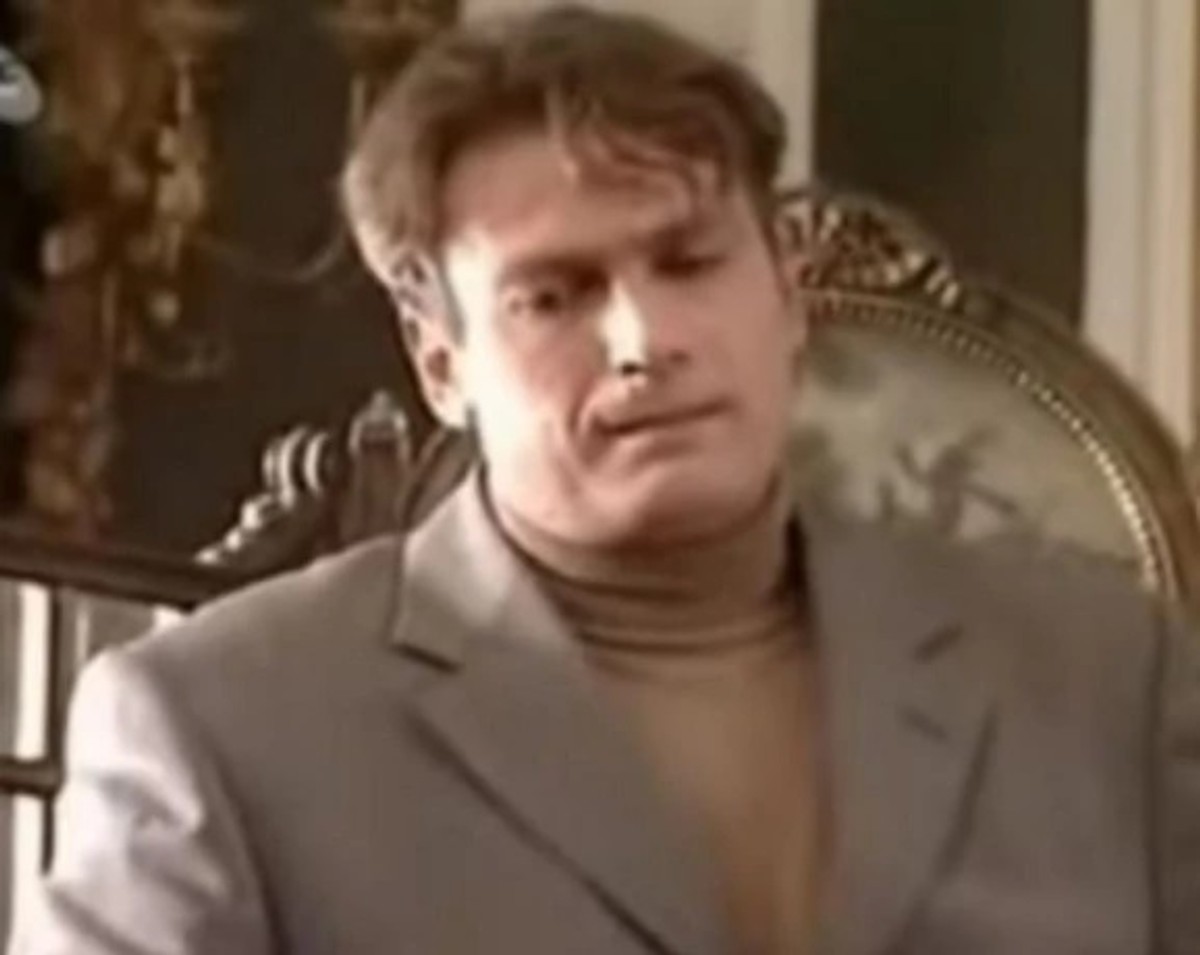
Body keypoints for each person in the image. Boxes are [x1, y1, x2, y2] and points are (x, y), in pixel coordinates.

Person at [9, 6, 1200, 954]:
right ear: (441, 363)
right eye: (555, 295)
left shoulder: (1101, 668)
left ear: (785, 292)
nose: (644, 340)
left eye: (690, 261)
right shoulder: (221, 727)